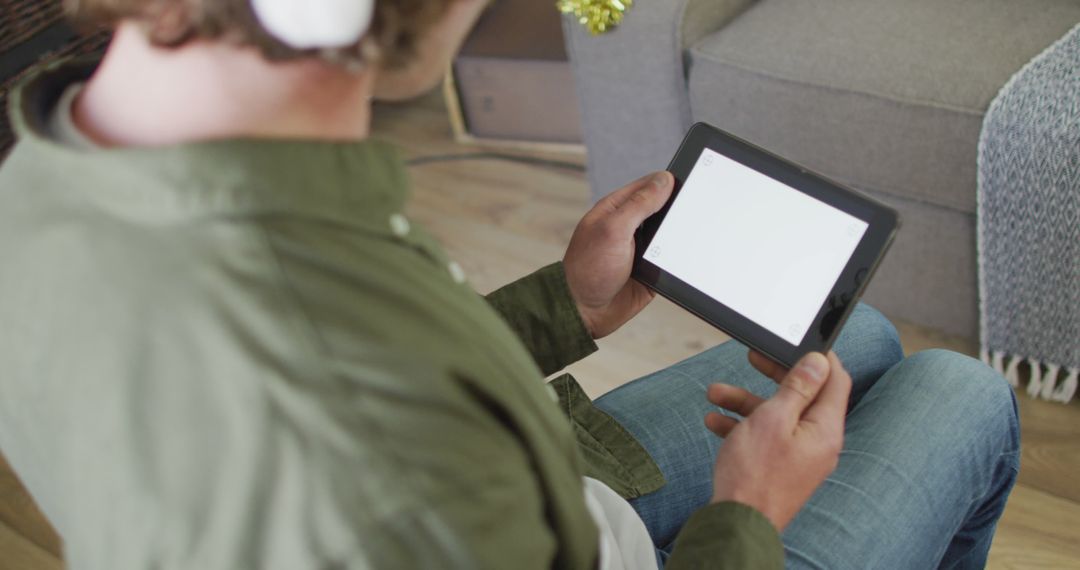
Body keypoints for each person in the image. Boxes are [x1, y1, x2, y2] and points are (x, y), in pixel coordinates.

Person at [0, 0, 1019, 568]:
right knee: (966, 394)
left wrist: (562, 306)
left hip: (548, 492)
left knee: (864, 337)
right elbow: (382, 419)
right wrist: (748, 510)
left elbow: (405, 382)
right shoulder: (338, 398)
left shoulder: (43, 173)